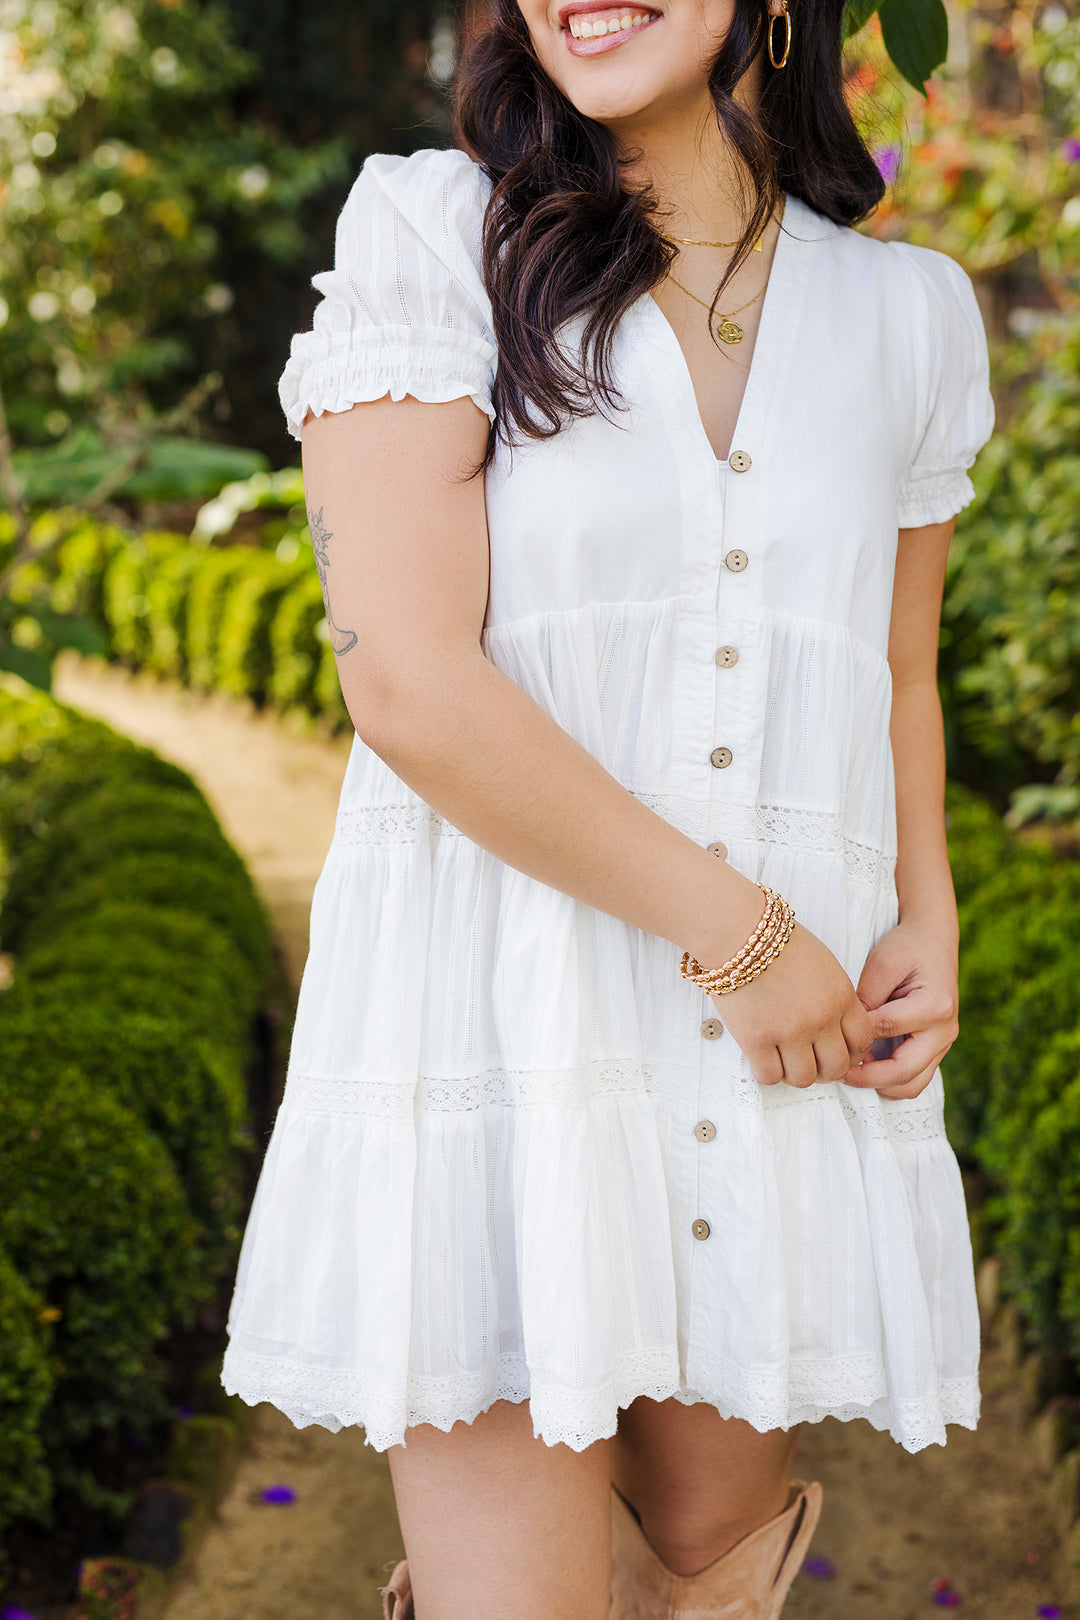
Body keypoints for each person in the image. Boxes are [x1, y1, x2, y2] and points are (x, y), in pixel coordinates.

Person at [221, 0, 996, 1615]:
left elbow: (897, 667)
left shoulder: (909, 314)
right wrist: (744, 936)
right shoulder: (435, 235)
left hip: (772, 1056)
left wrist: (924, 911)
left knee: (708, 1565)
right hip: (502, 1033)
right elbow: (407, 683)